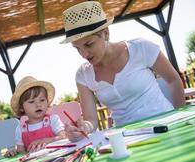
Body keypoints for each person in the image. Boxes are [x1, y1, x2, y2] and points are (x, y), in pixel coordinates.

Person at [60, 1, 185, 142]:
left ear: (106, 33)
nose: (83, 54)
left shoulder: (141, 48)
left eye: (88, 44)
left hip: (166, 126)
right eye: (77, 48)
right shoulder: (83, 75)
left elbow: (173, 80)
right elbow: (91, 120)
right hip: (128, 139)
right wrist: (84, 128)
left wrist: (180, 117)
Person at [5, 76, 66, 157]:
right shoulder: (20, 129)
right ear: (22, 108)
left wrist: (45, 140)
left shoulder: (53, 120)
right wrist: (14, 152)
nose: (38, 104)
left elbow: (64, 137)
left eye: (42, 100)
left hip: (57, 158)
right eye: (31, 101)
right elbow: (21, 152)